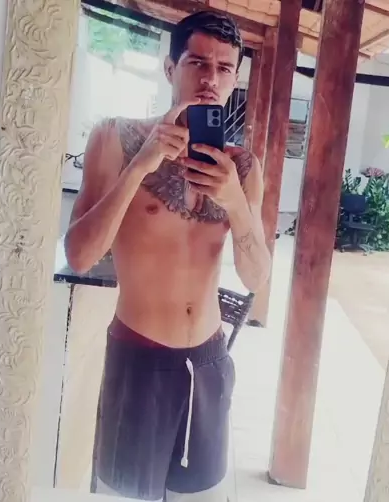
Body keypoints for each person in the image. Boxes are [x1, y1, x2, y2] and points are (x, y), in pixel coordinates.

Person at [65, 10, 270, 501]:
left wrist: (236, 204)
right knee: (124, 495)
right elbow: (80, 256)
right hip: (139, 357)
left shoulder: (243, 167)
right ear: (170, 67)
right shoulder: (114, 137)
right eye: (197, 62)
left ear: (235, 77)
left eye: (224, 68)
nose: (211, 78)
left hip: (209, 361)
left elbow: (256, 277)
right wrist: (139, 167)